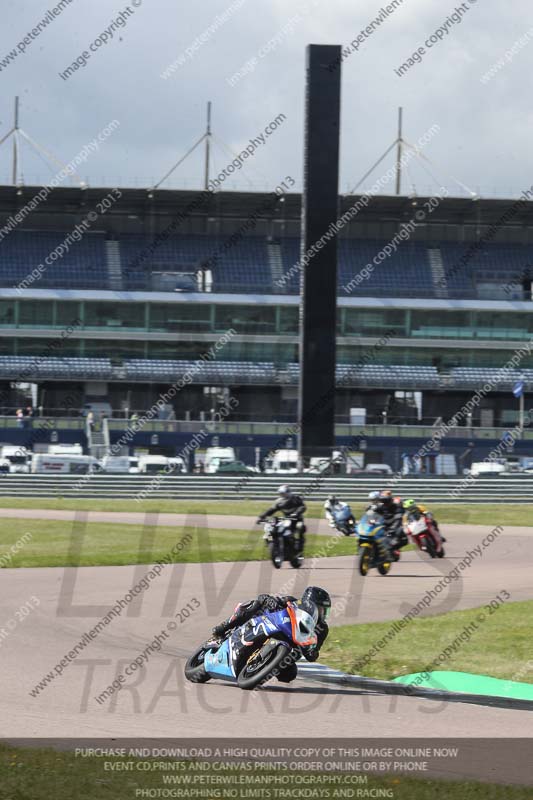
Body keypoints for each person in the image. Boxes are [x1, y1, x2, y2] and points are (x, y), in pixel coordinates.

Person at [210, 587, 331, 682]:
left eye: (325, 611)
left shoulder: (322, 629)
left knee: (290, 675)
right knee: (255, 604)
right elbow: (267, 598)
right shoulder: (293, 603)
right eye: (321, 609)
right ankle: (223, 627)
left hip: (288, 650)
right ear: (309, 603)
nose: (323, 614)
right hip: (267, 624)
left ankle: (263, 667)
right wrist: (271, 601)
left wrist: (312, 651)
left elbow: (314, 653)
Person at [257, 484, 307, 553]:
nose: (283, 495)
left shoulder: (296, 499)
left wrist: (296, 513)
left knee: (300, 526)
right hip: (286, 519)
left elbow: (303, 507)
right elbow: (271, 510)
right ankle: (271, 543)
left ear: (288, 492)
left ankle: (300, 544)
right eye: (281, 494)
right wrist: (262, 516)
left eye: (284, 493)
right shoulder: (279, 501)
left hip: (296, 519)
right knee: (272, 528)